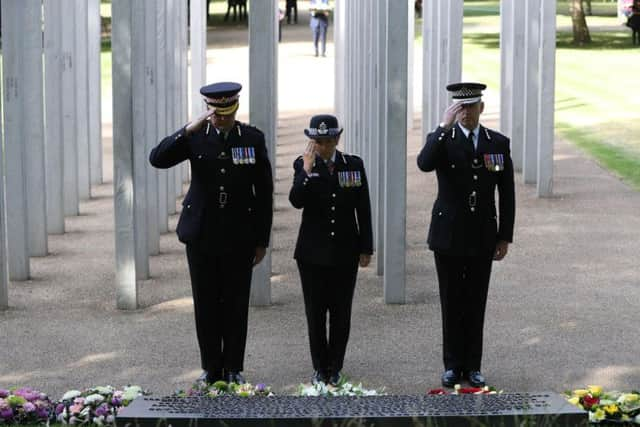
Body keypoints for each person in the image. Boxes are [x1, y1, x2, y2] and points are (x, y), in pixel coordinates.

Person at [149, 82, 274, 385]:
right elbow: (157, 158)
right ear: (208, 110)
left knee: (235, 304)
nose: (219, 119)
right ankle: (211, 368)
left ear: (234, 109)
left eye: (225, 113)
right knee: (205, 304)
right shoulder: (195, 137)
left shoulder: (252, 139)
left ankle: (233, 367)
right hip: (201, 233)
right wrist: (186, 130)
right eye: (215, 113)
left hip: (238, 235)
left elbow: (264, 192)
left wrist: (261, 240)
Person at [417, 83, 515, 388]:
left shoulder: (496, 142)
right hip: (448, 234)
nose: (466, 113)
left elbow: (507, 193)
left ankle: (473, 365)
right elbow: (424, 163)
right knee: (451, 300)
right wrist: (441, 126)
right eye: (460, 107)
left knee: (475, 301)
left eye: (471, 107)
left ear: (481, 108)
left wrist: (504, 236)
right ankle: (452, 365)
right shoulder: (444, 140)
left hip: (481, 234)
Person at [289, 114, 373, 386]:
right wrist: (307, 168)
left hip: (344, 252)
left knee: (340, 314)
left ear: (337, 139)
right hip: (312, 254)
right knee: (315, 313)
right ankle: (319, 367)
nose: (322, 146)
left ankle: (335, 366)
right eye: (317, 141)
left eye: (327, 141)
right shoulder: (303, 166)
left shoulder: (353, 165)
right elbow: (296, 200)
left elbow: (364, 208)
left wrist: (366, 247)